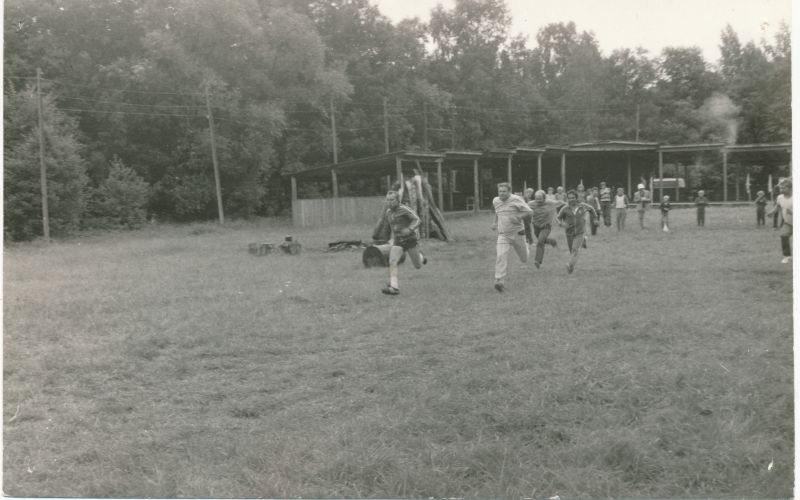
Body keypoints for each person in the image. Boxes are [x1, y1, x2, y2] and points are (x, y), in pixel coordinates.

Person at [372, 190, 427, 295]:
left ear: (398, 200)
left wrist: (409, 229)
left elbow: (417, 220)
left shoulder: (404, 209)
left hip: (410, 240)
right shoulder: (388, 212)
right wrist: (384, 239)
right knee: (392, 261)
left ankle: (421, 257)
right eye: (387, 200)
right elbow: (387, 228)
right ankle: (394, 287)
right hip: (398, 241)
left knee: (418, 266)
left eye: (392, 200)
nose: (389, 202)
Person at [491, 182, 533, 292]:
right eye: (500, 191)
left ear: (509, 191)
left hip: (517, 233)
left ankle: (526, 245)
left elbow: (529, 212)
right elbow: (497, 211)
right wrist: (495, 223)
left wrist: (518, 216)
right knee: (501, 255)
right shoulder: (496, 201)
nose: (501, 193)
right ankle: (499, 280)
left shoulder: (516, 199)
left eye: (504, 191)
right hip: (503, 234)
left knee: (524, 258)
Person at [556, 190, 597, 274]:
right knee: (572, 252)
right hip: (569, 233)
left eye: (573, 198)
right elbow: (558, 218)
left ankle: (570, 265)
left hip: (580, 232)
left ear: (576, 198)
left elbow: (592, 209)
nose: (571, 199)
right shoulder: (565, 208)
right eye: (569, 198)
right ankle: (571, 268)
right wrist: (561, 224)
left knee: (575, 249)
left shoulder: (583, 206)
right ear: (567, 199)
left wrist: (595, 219)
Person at [527, 190, 565, 269]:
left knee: (540, 241)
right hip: (536, 226)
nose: (538, 201)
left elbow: (560, 202)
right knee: (541, 240)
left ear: (544, 198)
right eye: (537, 199)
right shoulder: (531, 204)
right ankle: (552, 241)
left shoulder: (550, 203)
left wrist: (571, 204)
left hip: (546, 226)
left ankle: (538, 261)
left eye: (540, 199)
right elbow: (522, 206)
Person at [767, 178, 792, 263]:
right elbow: (777, 207)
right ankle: (787, 256)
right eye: (781, 187)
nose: (781, 189)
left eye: (784, 188)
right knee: (783, 235)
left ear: (790, 188)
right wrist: (771, 212)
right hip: (788, 223)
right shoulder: (780, 197)